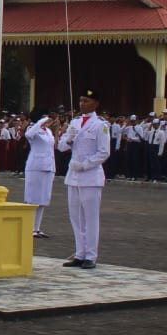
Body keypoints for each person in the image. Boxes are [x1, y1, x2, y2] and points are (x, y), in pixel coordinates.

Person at [56, 88, 111, 269]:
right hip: (74, 176)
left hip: (90, 176)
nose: (82, 104)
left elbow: (104, 152)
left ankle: (91, 255)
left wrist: (85, 164)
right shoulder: (76, 122)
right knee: (75, 217)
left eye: (86, 101)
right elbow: (62, 147)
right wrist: (69, 137)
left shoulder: (100, 125)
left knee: (90, 217)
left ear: (95, 104)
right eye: (80, 100)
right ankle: (79, 253)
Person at [23, 107, 57, 238]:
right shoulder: (33, 129)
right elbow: (28, 135)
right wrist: (40, 123)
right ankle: (29, 227)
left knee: (43, 199)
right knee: (33, 198)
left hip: (48, 166)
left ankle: (37, 228)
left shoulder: (48, 131)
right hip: (36, 166)